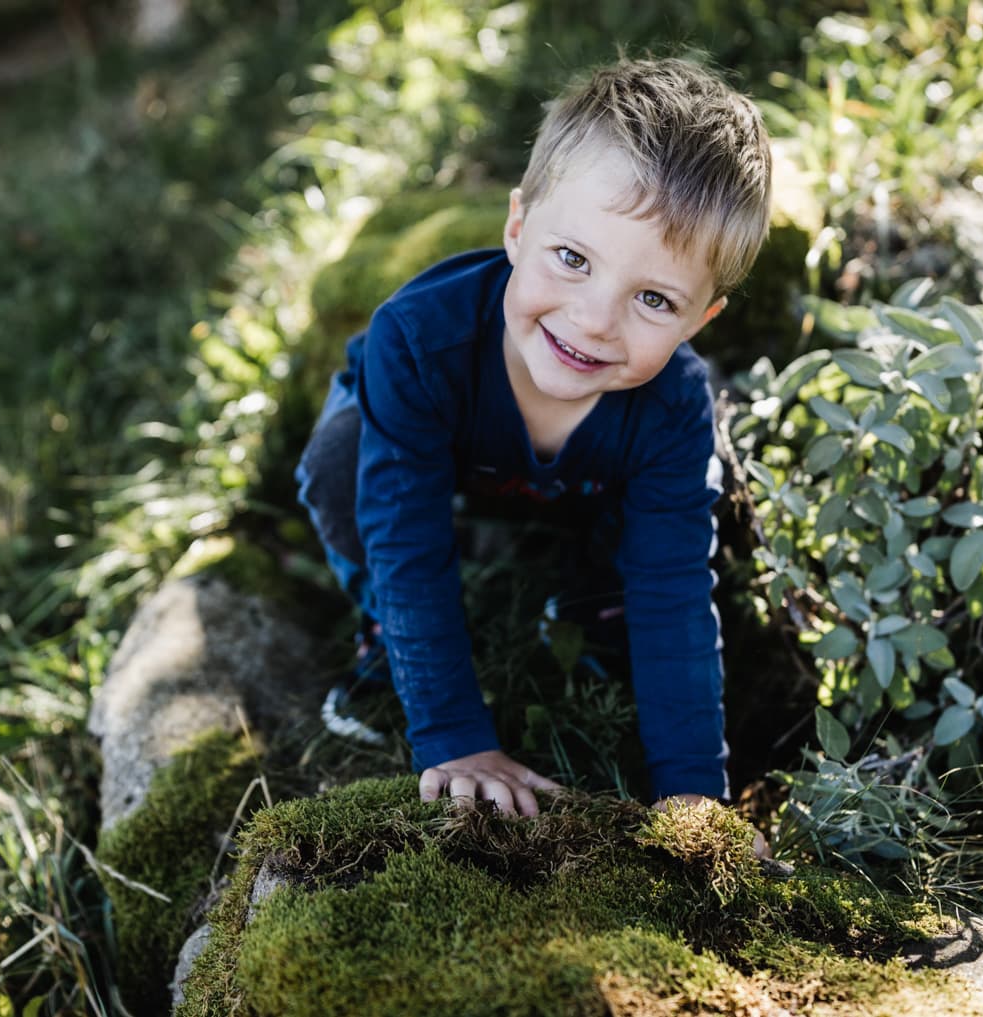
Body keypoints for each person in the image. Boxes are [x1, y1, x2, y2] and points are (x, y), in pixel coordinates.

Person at [295, 56, 773, 820]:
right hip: (422, 458)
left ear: (699, 321)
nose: (592, 320)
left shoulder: (673, 404)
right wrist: (454, 737)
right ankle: (389, 631)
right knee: (336, 463)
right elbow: (404, 538)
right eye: (572, 259)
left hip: (575, 486)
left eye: (653, 298)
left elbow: (675, 590)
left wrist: (692, 795)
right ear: (517, 228)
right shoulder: (419, 340)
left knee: (654, 539)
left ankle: (583, 602)